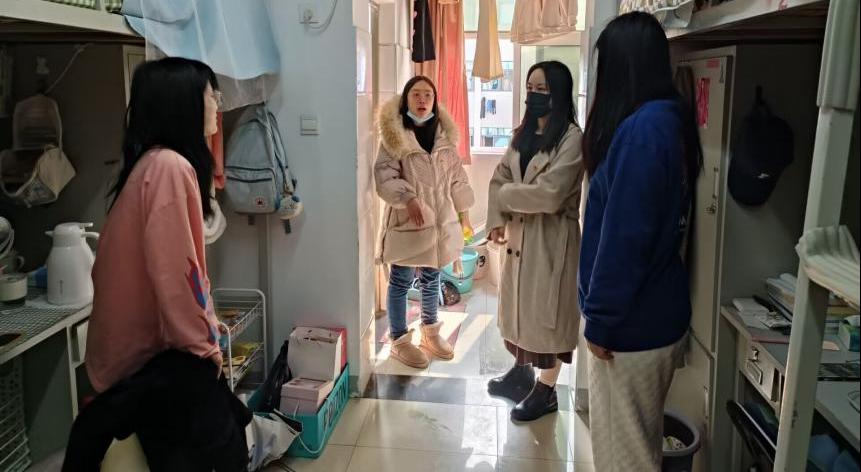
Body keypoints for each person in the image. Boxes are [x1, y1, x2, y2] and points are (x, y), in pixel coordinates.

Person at [69, 57, 249, 471]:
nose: (217, 105)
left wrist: (204, 326)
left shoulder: (153, 162)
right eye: (211, 95)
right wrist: (203, 347)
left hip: (134, 361)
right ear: (183, 103)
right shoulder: (170, 167)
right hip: (147, 365)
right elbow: (176, 274)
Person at [579, 12, 703, 471]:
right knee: (637, 450)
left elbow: (626, 238)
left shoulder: (644, 131)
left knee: (624, 460)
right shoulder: (667, 118)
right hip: (653, 314)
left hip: (630, 328)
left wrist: (601, 321)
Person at [486, 60, 584, 422]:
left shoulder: (571, 138)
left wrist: (506, 197)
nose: (533, 95)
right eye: (530, 88)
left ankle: (546, 390)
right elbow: (498, 177)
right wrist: (497, 220)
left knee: (546, 317)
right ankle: (521, 374)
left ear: (559, 93)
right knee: (519, 311)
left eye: (542, 89)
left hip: (551, 241)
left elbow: (550, 194)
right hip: (519, 237)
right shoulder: (523, 133)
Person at [375, 76, 475, 369]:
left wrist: (465, 214)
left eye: (428, 95)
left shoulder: (444, 138)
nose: (422, 100)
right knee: (401, 281)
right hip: (410, 222)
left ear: (434, 100)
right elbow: (384, 175)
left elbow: (457, 178)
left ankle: (430, 332)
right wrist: (408, 198)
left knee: (432, 278)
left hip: (440, 222)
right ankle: (399, 340)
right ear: (406, 99)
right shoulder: (395, 137)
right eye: (416, 94)